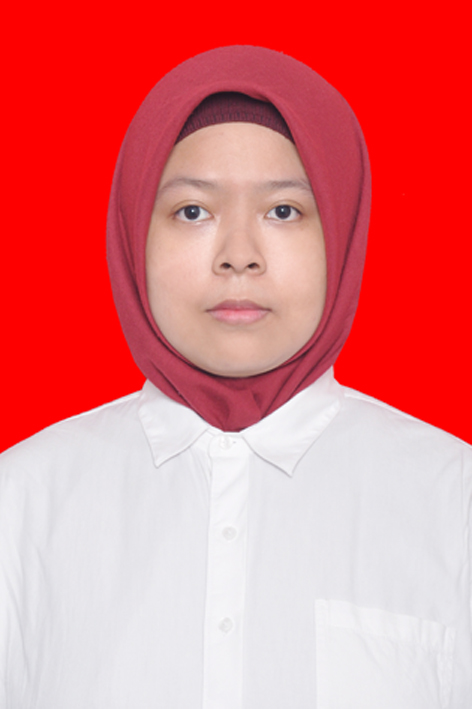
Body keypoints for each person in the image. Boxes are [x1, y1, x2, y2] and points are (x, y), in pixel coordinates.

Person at [0, 45, 470, 708]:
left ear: (341, 229)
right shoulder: (21, 505)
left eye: (284, 211)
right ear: (135, 232)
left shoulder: (454, 502)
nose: (239, 256)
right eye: (194, 211)